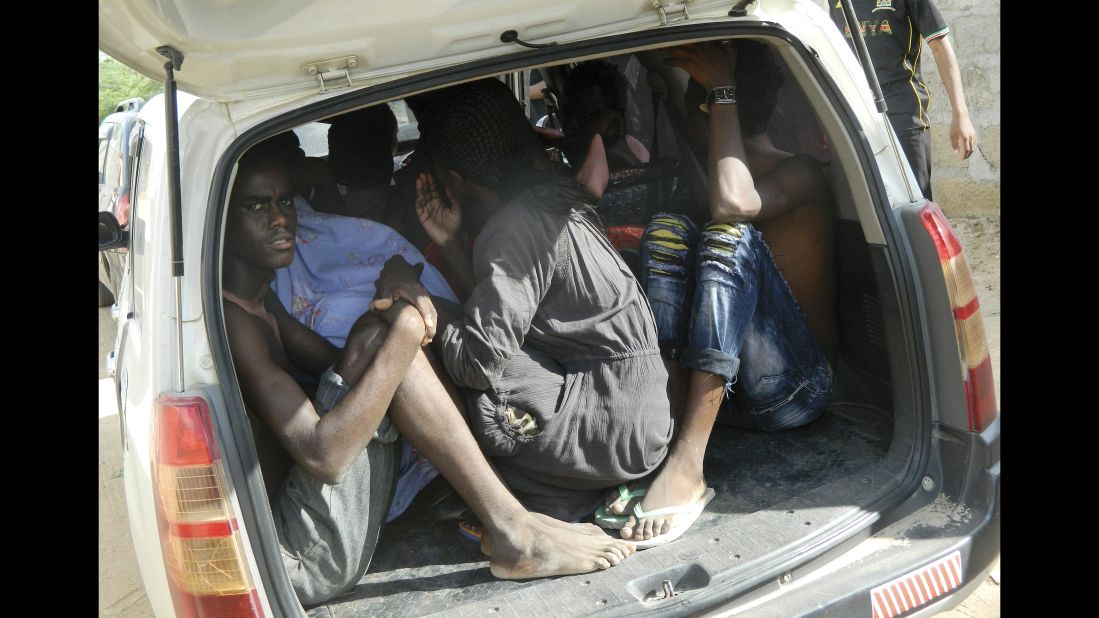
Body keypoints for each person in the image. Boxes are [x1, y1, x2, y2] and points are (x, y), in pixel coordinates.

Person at [222, 147, 636, 606]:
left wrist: (393, 280)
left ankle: (510, 512)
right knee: (385, 340)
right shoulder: (234, 323)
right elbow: (327, 457)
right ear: (219, 223)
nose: (280, 219)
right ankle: (514, 530)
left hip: (322, 525)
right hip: (307, 555)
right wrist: (406, 327)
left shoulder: (262, 303)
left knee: (373, 337)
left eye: (285, 202)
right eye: (257, 206)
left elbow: (339, 365)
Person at [601, 40, 838, 545]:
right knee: (666, 227)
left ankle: (689, 465)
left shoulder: (797, 171)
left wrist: (721, 88)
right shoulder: (707, 173)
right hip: (722, 398)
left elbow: (735, 205)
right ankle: (659, 438)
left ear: (714, 108)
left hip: (794, 390)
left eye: (700, 102)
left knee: (730, 233)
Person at [419, 78, 676, 524]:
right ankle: (571, 486)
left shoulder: (511, 228)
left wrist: (423, 304)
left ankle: (541, 494)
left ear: (456, 180)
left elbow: (479, 363)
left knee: (417, 334)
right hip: (642, 419)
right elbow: (506, 314)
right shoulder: (550, 200)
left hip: (612, 429)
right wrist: (451, 245)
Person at [830, 0, 977, 199]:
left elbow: (940, 47)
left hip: (903, 114)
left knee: (914, 202)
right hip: (856, 113)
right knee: (867, 204)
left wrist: (961, 113)